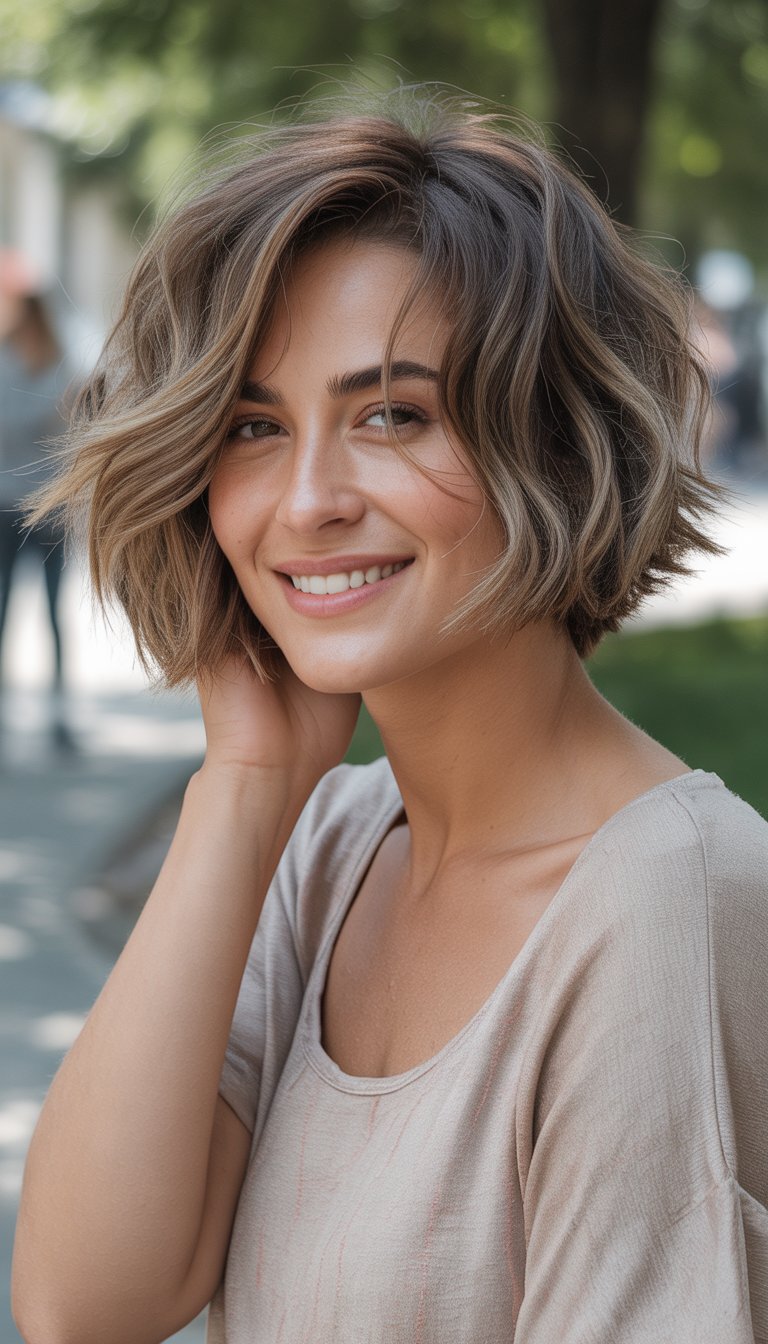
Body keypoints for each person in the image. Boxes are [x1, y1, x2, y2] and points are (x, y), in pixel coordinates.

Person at [11, 93, 768, 1344]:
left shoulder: (669, 904)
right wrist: (246, 786)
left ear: (555, 442)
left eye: (392, 415)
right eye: (255, 427)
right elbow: (84, 1302)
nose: (307, 499)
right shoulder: (334, 847)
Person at [0, 250, 73, 748]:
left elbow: (75, 425)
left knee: (53, 615)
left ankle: (59, 719)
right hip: (7, 505)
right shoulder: (11, 359)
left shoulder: (59, 359)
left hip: (49, 506)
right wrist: (50, 413)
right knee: (4, 612)